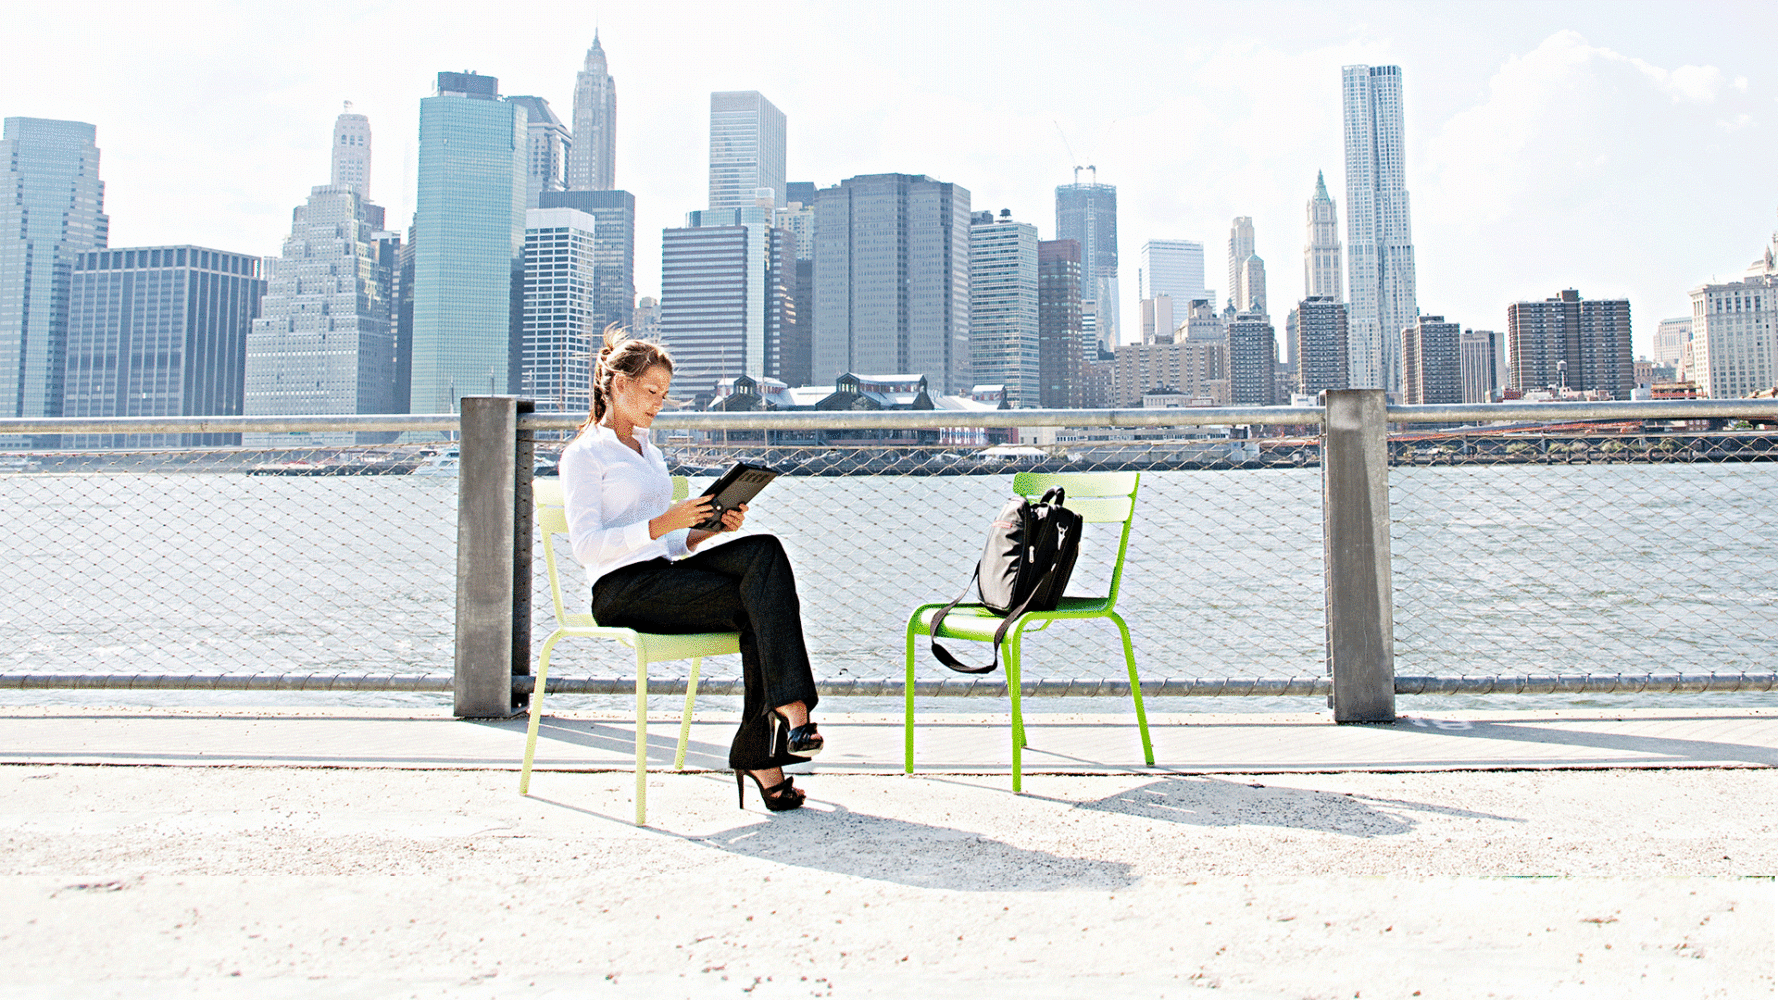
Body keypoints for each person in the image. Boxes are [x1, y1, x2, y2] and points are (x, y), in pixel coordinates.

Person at [559, 326, 822, 812]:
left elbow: (674, 544)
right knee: (758, 603)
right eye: (650, 391)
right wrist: (661, 523)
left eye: (664, 394)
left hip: (664, 576)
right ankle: (786, 723)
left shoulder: (651, 454)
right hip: (621, 591)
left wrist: (709, 528)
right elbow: (586, 547)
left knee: (762, 554)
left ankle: (770, 740)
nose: (658, 403)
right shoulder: (584, 454)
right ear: (619, 385)